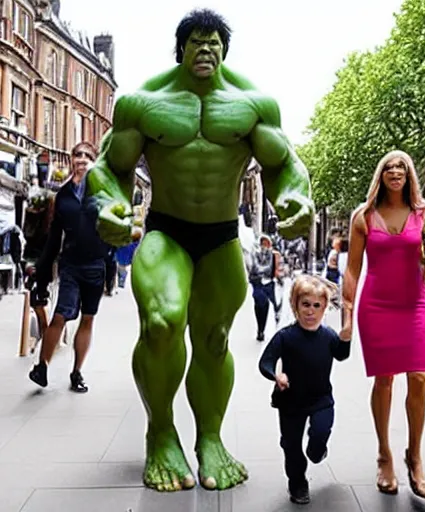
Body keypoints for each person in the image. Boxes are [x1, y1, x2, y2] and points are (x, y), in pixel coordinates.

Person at [86, 9, 314, 492]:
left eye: (214, 42)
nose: (206, 49)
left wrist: (296, 198)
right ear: (182, 49)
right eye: (196, 42)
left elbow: (284, 165)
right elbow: (109, 168)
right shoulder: (142, 103)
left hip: (221, 237)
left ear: (224, 50)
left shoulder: (252, 104)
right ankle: (161, 430)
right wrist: (108, 204)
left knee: (214, 339)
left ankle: (210, 437)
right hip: (166, 232)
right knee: (162, 323)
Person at [341, 150, 425, 500]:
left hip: (414, 304)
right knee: (384, 382)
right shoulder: (363, 216)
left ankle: (415, 457)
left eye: (402, 167)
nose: (395, 172)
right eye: (389, 167)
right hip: (377, 306)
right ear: (380, 175)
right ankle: (384, 454)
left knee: (420, 378)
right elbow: (352, 269)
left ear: (409, 175)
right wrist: (347, 314)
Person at [258, 275, 351, 505]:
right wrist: (276, 375)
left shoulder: (328, 335)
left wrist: (346, 338)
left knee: (320, 434)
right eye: (305, 305)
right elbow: (265, 362)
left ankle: (318, 449)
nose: (310, 311)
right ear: (295, 305)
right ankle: (297, 482)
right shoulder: (285, 337)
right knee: (291, 446)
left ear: (324, 308)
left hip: (321, 398)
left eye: (316, 306)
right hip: (290, 401)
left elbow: (341, 354)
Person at [28, 142, 107, 393]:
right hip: (71, 264)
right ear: (71, 160)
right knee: (61, 314)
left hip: (96, 265)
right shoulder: (62, 196)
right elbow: (53, 238)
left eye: (87, 155)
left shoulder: (103, 192)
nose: (82, 159)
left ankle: (77, 372)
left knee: (87, 319)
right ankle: (42, 367)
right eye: (78, 155)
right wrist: (41, 275)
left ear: (94, 161)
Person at [248, 234, 282, 341]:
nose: (265, 245)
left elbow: (269, 267)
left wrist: (261, 270)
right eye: (263, 243)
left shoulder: (271, 254)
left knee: (266, 304)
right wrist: (261, 271)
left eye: (267, 243)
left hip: (268, 282)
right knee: (259, 303)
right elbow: (254, 266)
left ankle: (261, 330)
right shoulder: (255, 253)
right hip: (257, 282)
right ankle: (260, 328)